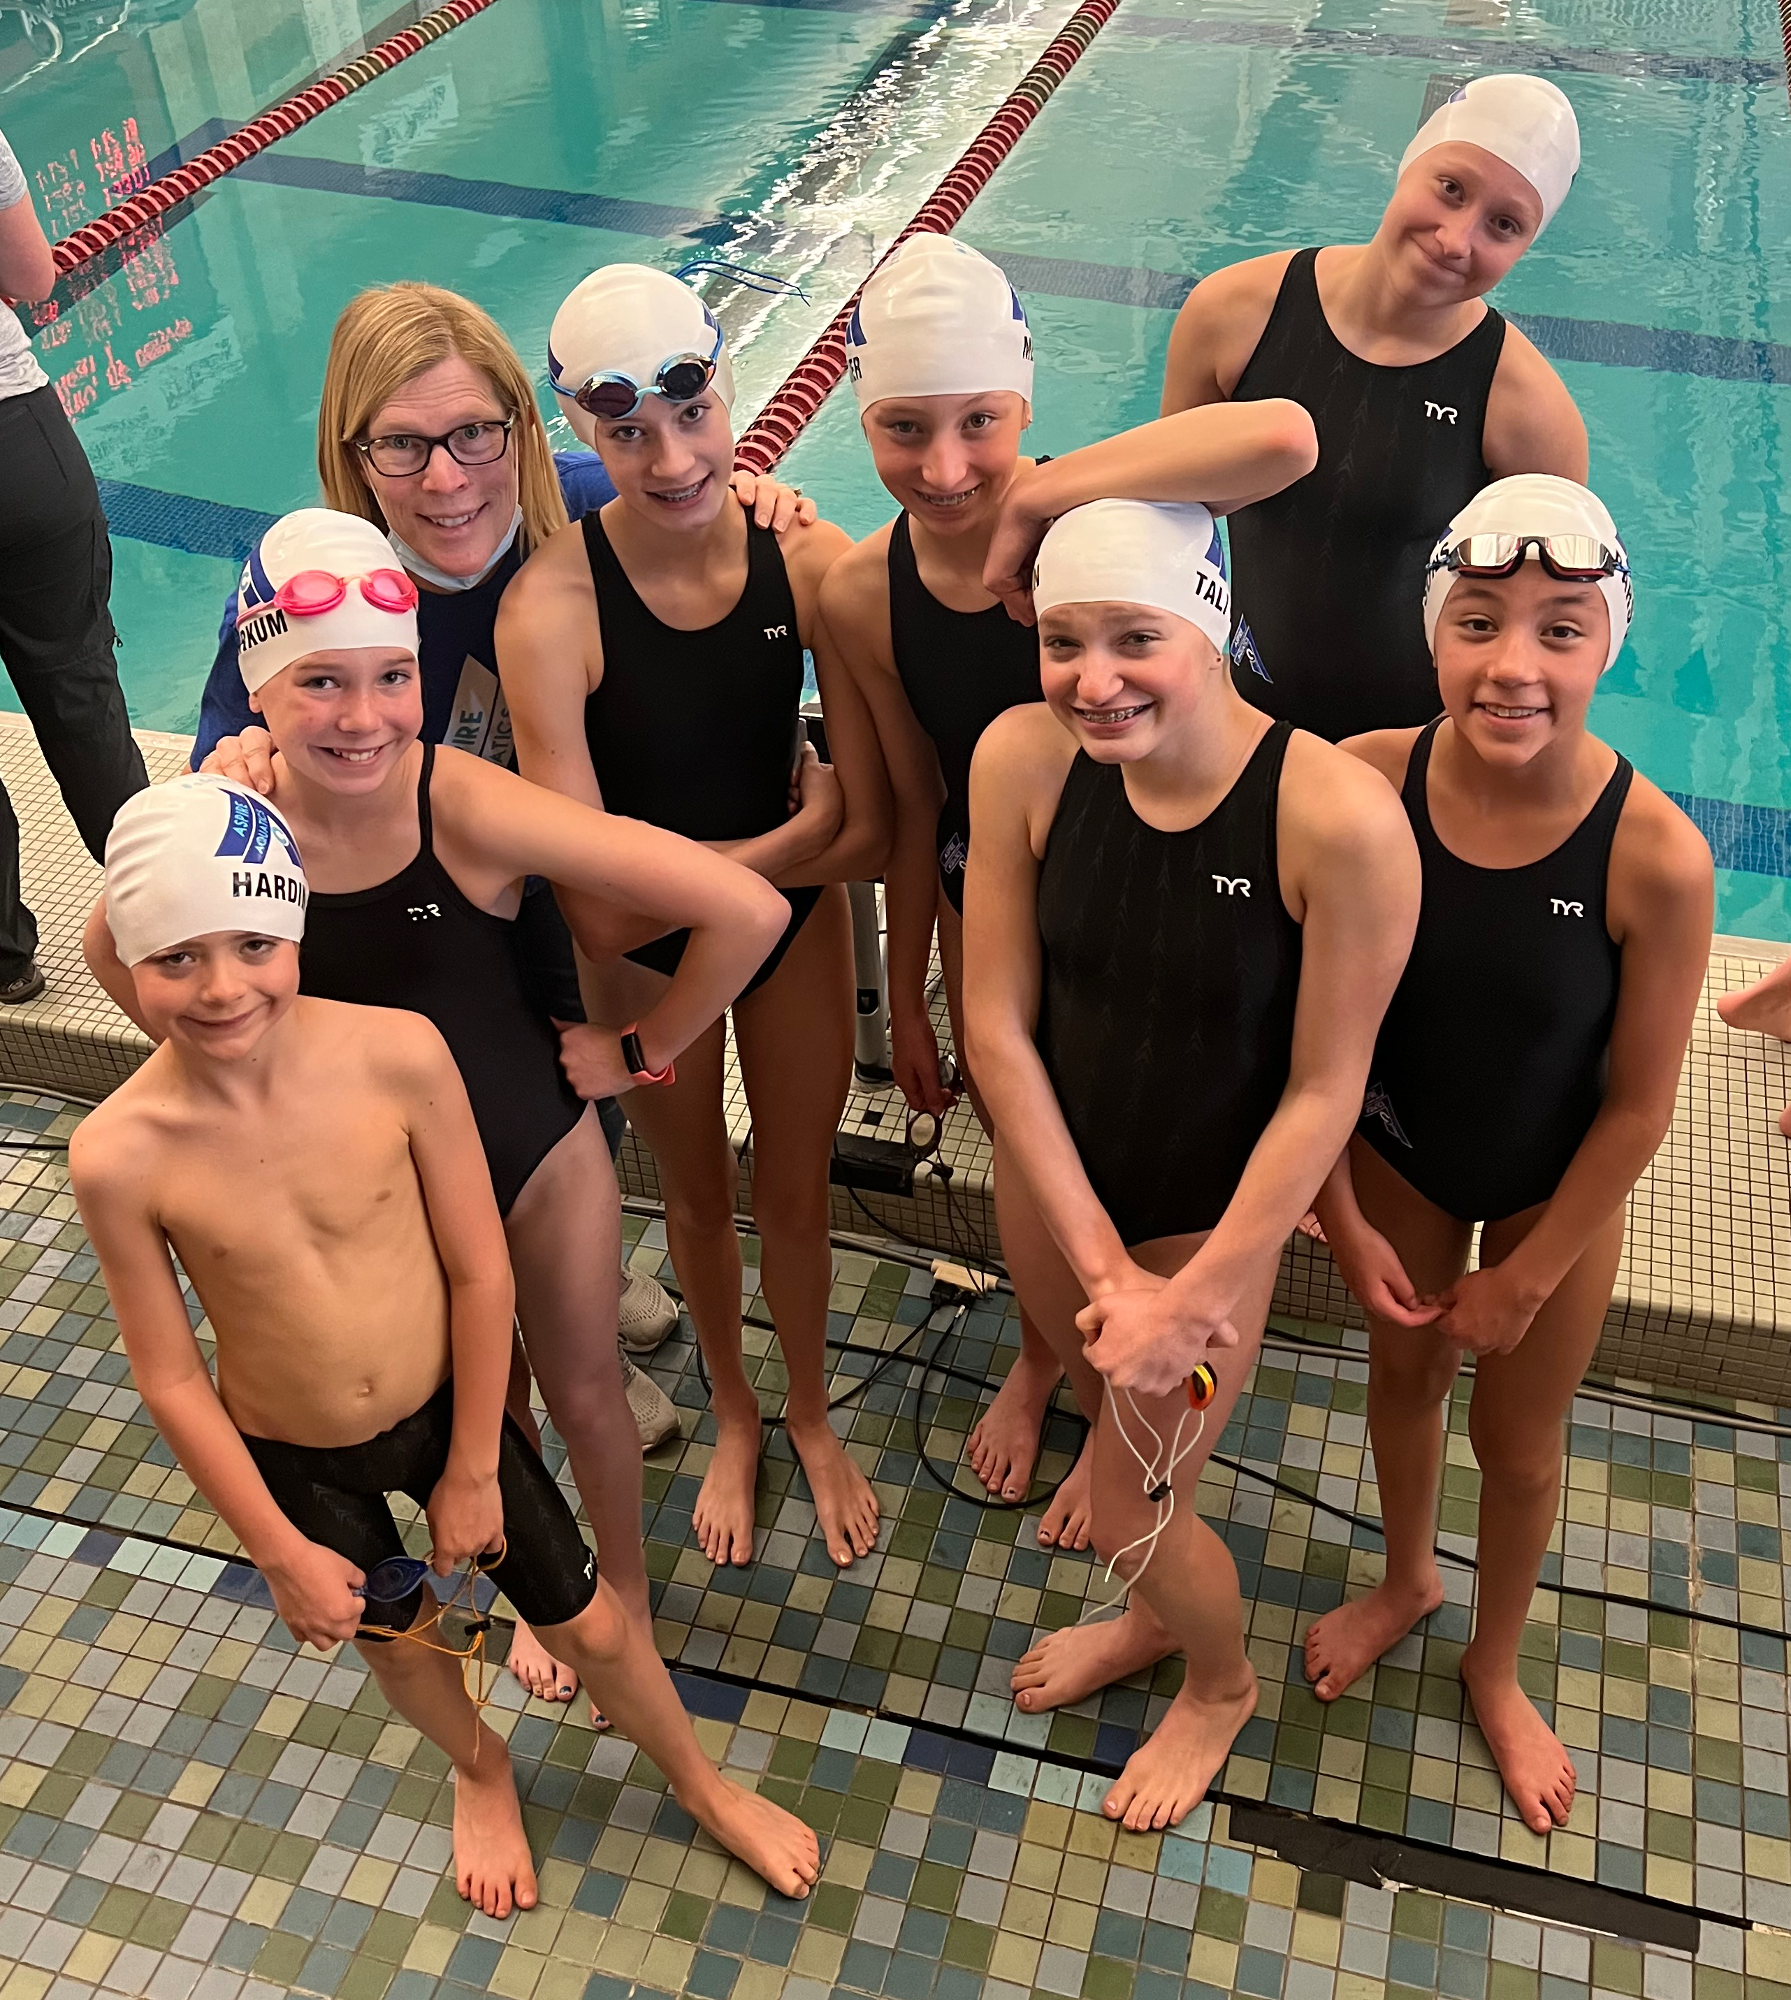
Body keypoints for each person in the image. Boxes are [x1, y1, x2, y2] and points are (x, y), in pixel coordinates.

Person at [187, 281, 804, 1699]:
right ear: (352, 454)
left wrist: (757, 501)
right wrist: (226, 773)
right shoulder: (306, 592)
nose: (449, 476)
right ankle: (545, 1468)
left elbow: (685, 479)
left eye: (475, 434)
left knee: (568, 1174)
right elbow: (213, 824)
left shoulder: (573, 498)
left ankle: (588, 1319)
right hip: (417, 955)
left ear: (522, 430)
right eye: (403, 446)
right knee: (486, 1306)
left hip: (556, 915)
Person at [69, 775, 820, 1915]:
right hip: (298, 1458)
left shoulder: (398, 1055)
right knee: (399, 1643)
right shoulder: (118, 1153)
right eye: (175, 957)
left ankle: (703, 1785)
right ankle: (480, 1766)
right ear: (127, 958)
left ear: (296, 930)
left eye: (253, 944)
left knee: (592, 1622)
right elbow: (169, 1375)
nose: (221, 987)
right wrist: (274, 1549)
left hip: (443, 1414)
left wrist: (474, 1463)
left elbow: (481, 1271)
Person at [963, 412, 1422, 1831]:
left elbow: (1324, 1089)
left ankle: (1215, 1679)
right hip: (1059, 1193)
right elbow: (994, 1022)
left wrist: (1192, 1291)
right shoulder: (1021, 758)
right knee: (1101, 1426)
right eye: (1062, 642)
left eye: (1133, 639)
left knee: (1127, 1508)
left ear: (1208, 628)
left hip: (1205, 1231)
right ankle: (1154, 1616)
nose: (1091, 682)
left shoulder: (1334, 819)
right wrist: (1098, 1267)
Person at [1303, 477, 1711, 1835]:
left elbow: (1637, 1108)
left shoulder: (1655, 856)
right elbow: (1309, 1028)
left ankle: (1493, 1657)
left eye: (1559, 629)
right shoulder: (1361, 781)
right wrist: (1333, 1202)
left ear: (1606, 647)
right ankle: (1406, 1577)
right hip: (1401, 1159)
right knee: (1402, 1382)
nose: (1513, 665)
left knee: (1519, 1444)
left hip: (1552, 1191)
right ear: (1432, 632)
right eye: (1477, 621)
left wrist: (1528, 1277)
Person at [499, 264, 892, 1571]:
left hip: (795, 932)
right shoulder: (551, 609)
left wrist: (775, 864)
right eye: (625, 433)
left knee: (794, 1190)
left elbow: (872, 832)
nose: (671, 459)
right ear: (583, 432)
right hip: (662, 957)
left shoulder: (809, 559)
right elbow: (602, 913)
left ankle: (809, 1412)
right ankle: (734, 1411)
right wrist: (778, 851)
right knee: (696, 1197)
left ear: (728, 391)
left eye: (692, 412)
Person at [821, 232, 1096, 1545]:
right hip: (986, 918)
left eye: (980, 421)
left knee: (1125, 1138)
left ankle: (1115, 1384)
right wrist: (913, 996)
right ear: (862, 421)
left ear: (1026, 402)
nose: (943, 469)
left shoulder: (1098, 536)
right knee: (1023, 1154)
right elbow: (913, 807)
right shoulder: (860, 594)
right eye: (903, 428)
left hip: (1119, 898)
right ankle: (1045, 1357)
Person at [1160, 74, 1589, 742]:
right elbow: (1166, 519)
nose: (1456, 239)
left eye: (1503, 225)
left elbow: (1543, 638)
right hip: (1237, 722)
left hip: (1416, 753)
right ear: (1408, 164)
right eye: (1450, 188)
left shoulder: (1527, 410)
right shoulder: (1233, 314)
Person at [0, 119, 147, 1002]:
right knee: (80, 692)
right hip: (16, 449)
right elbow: (30, 276)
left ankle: (3, 963)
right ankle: (171, 923)